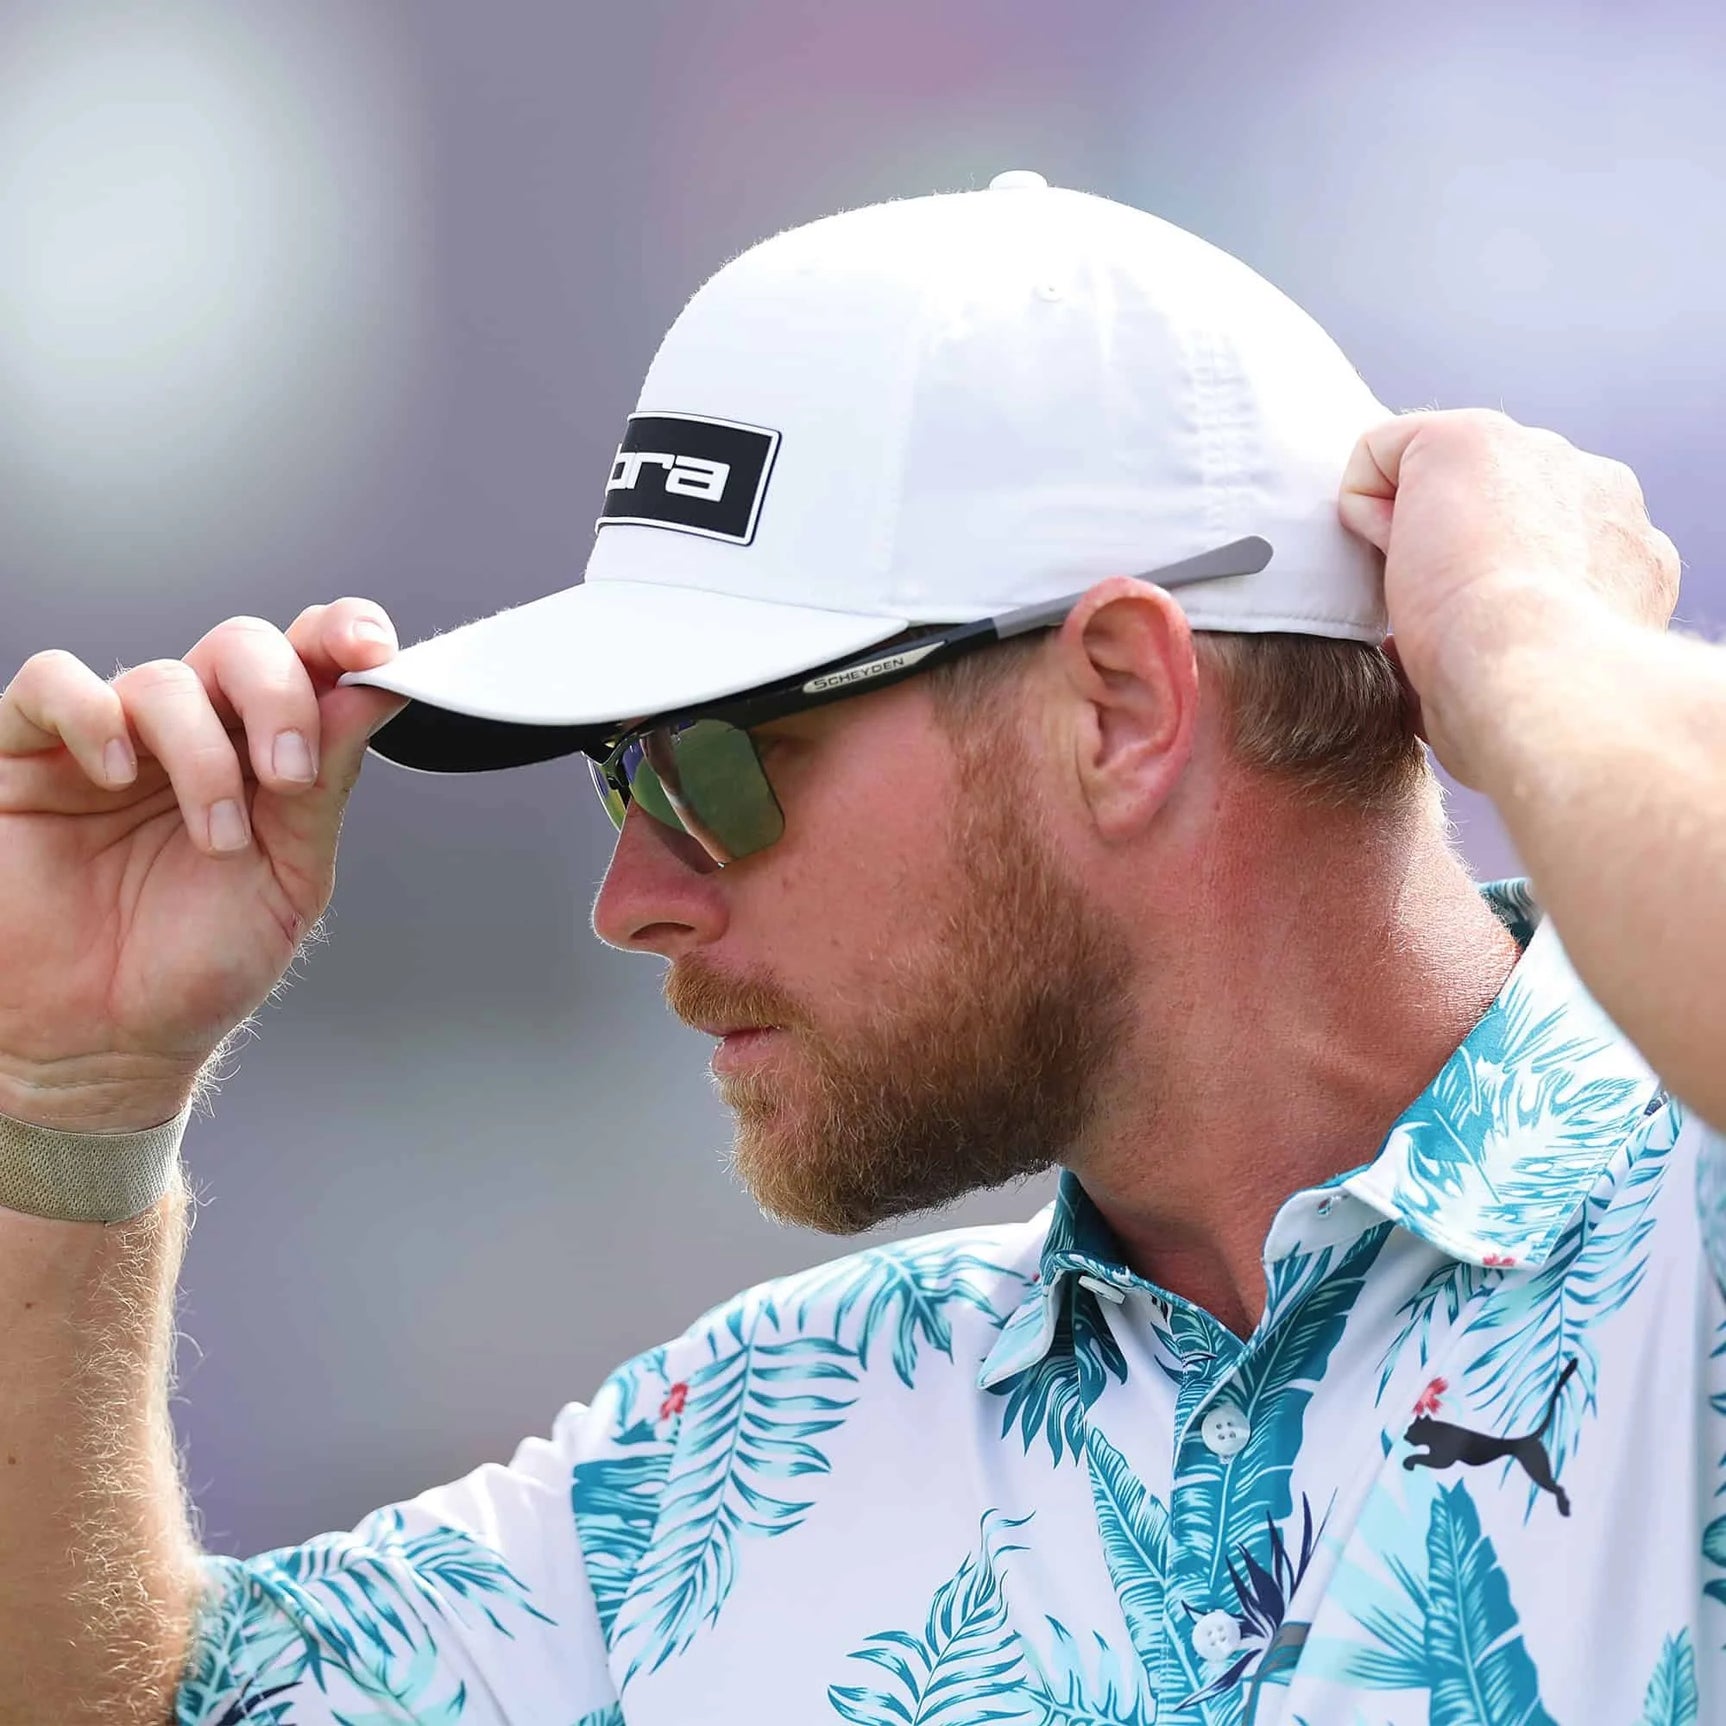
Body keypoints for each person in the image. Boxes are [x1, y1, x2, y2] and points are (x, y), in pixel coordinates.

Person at [0, 175, 1719, 1726]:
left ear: (1119, 705)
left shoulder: (1681, 1254)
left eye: (711, 758)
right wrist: (62, 1097)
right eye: (618, 769)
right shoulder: (752, 1445)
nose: (635, 897)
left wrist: (1521, 638)